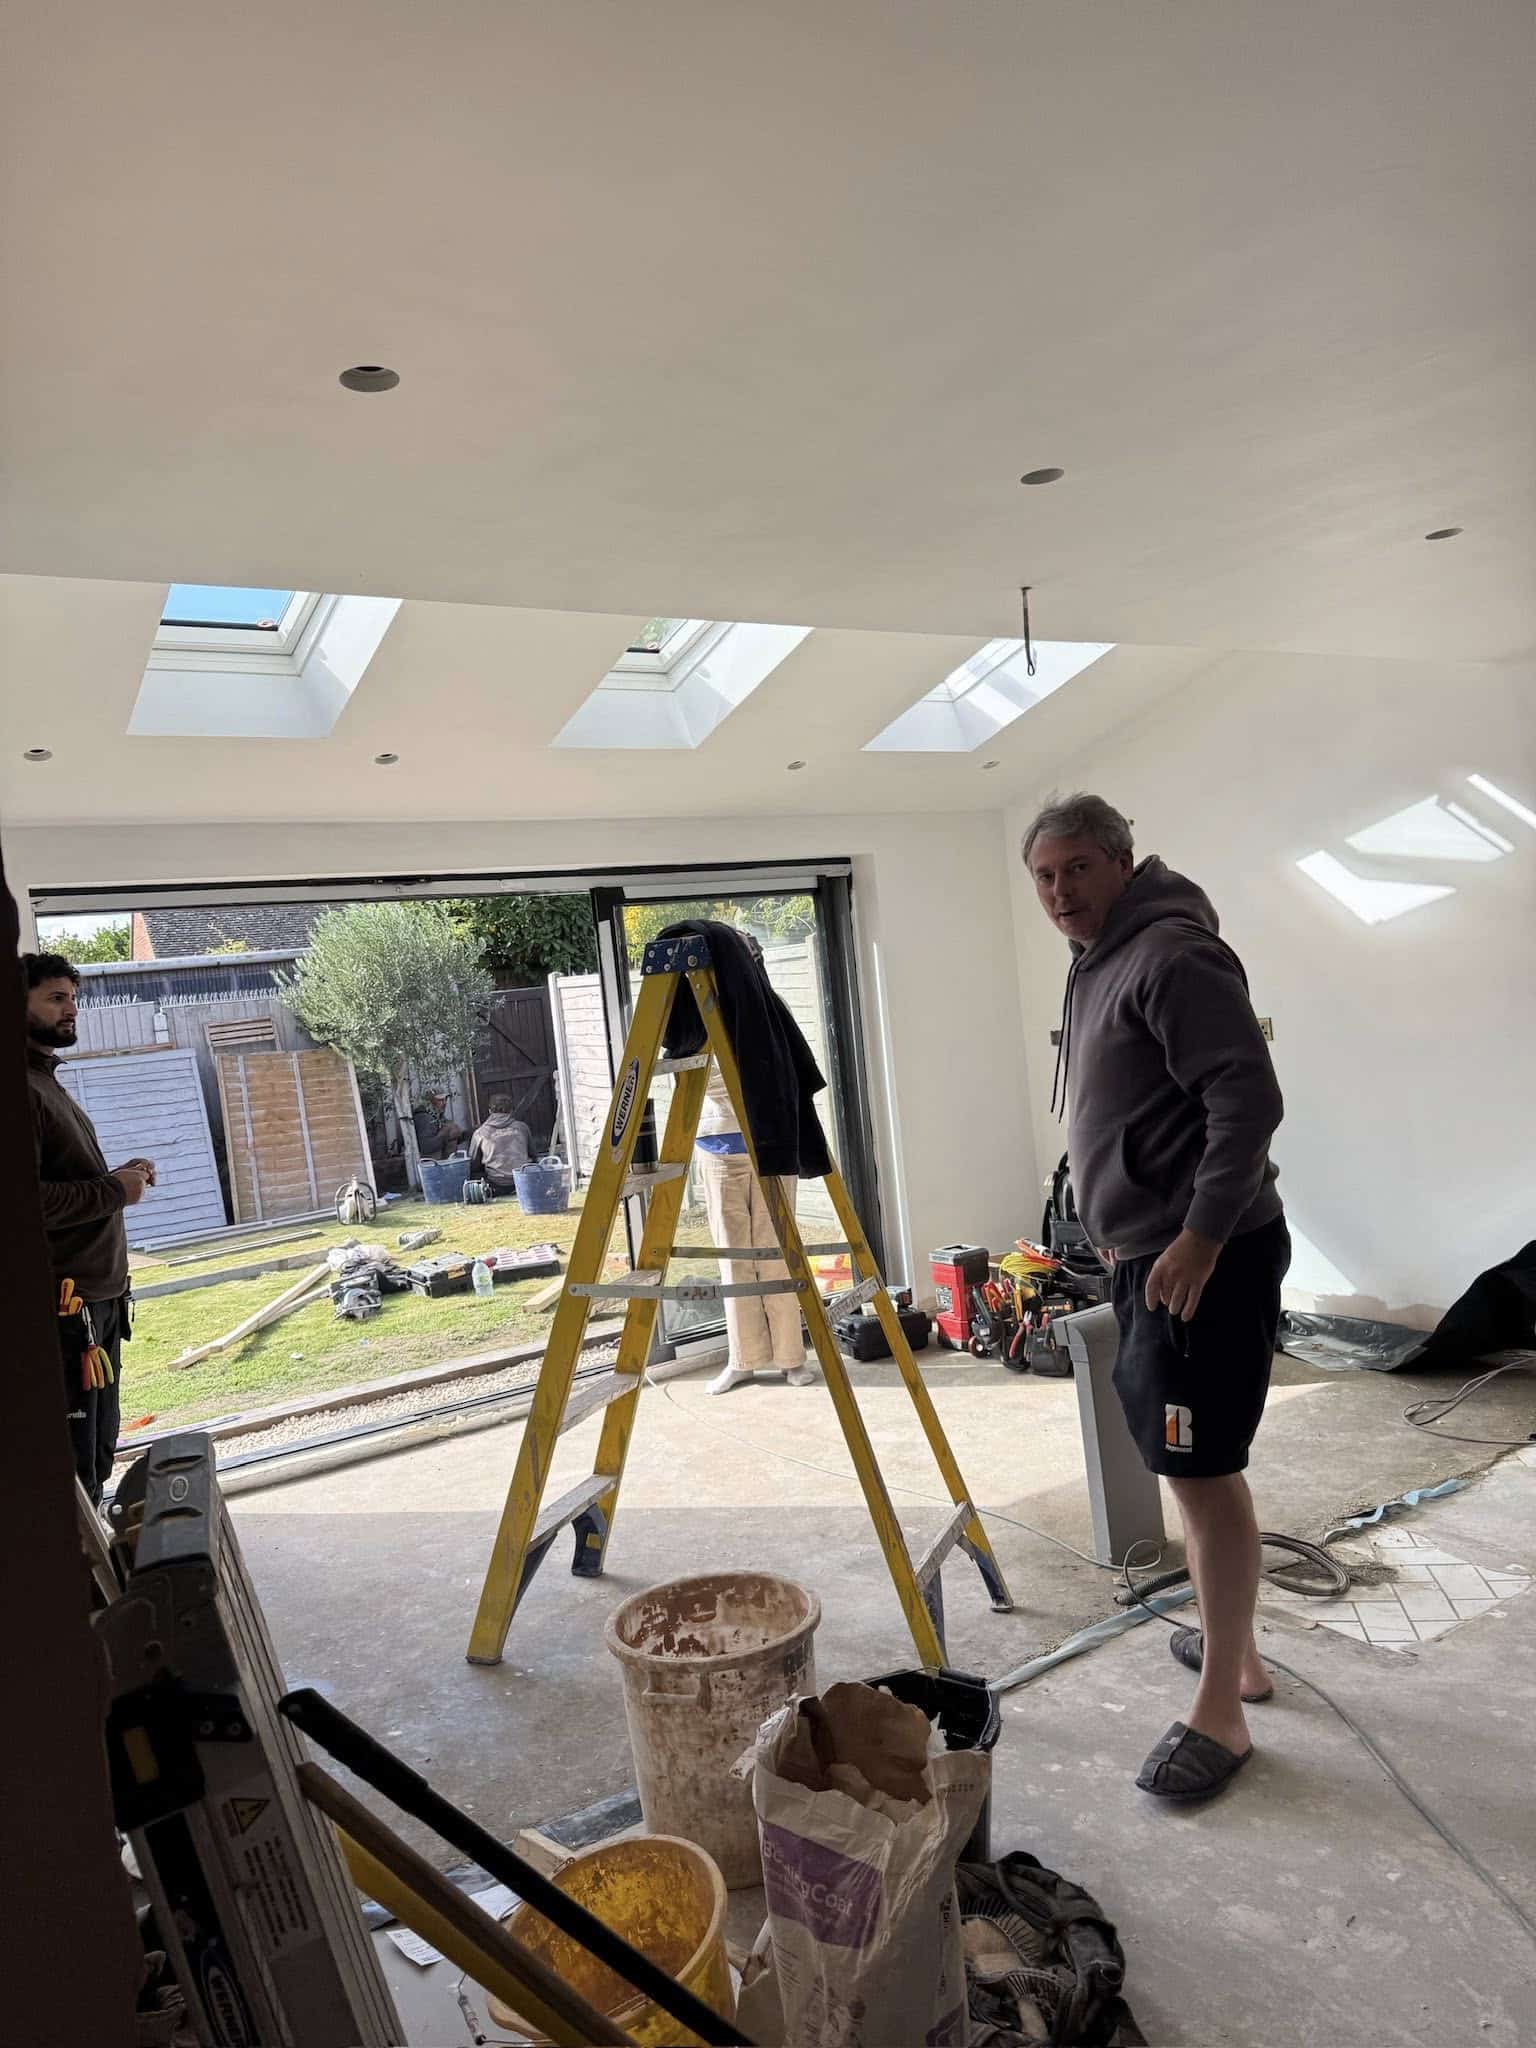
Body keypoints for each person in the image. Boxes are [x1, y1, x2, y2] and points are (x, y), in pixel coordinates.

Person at [1024, 794, 1287, 1804]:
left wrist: (1199, 1238)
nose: (1060, 891)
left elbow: (1248, 1103)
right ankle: (1239, 1650)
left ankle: (1224, 1709)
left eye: (1078, 869)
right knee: (1185, 1460)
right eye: (1045, 876)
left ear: (1123, 862)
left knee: (1203, 1473)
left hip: (1201, 1262)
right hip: (1153, 1255)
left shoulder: (1172, 955)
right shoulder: (1099, 954)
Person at [24, 953, 155, 1504]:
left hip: (94, 1307)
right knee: (76, 1465)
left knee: (97, 1451)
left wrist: (119, 1177)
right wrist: (114, 1191)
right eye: (56, 998)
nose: (72, 1009)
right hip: (66, 1316)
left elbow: (63, 1181)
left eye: (73, 998)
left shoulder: (43, 1080)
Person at [693, 938, 816, 1396]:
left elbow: (787, 1076)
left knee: (776, 1254)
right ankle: (743, 1360)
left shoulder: (768, 1011)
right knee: (734, 1259)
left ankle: (790, 1358)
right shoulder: (699, 1018)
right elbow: (701, 1079)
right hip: (717, 1149)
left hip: (769, 1151)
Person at [468, 1093, 535, 1193]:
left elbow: (473, 1164)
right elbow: (533, 1155)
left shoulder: (480, 1133)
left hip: (495, 1184)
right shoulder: (522, 1127)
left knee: (474, 1173)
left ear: (490, 1111)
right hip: (522, 1181)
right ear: (511, 1111)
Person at [412, 1090, 466, 1161]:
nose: (445, 1103)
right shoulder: (425, 1119)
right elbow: (426, 1148)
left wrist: (468, 1133)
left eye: (445, 1099)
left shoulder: (437, 1115)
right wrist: (445, 1133)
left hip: (441, 1162)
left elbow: (452, 1139)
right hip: (429, 1163)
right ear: (429, 1102)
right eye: (440, 1100)